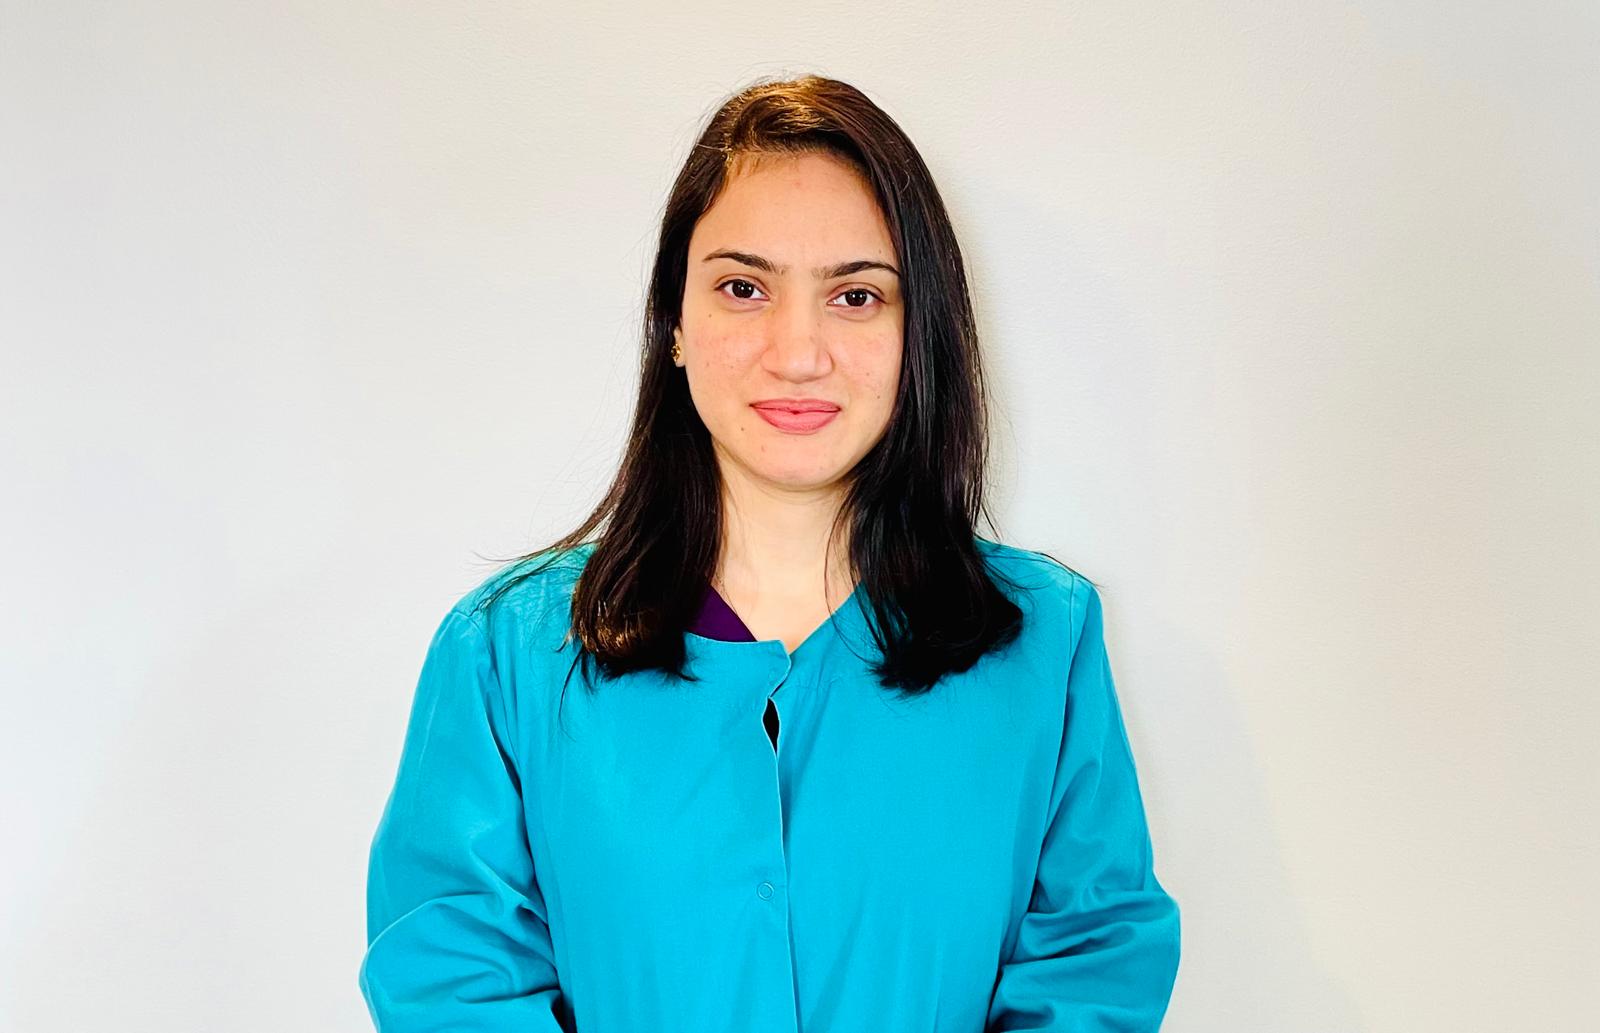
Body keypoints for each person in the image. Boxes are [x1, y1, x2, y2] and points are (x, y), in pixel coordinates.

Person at [358, 73, 1181, 1032]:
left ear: (918, 332)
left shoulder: (1043, 642)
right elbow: (452, 981)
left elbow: (1094, 960)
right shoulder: (509, 654)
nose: (797, 352)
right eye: (743, 288)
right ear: (673, 322)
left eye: (856, 295)